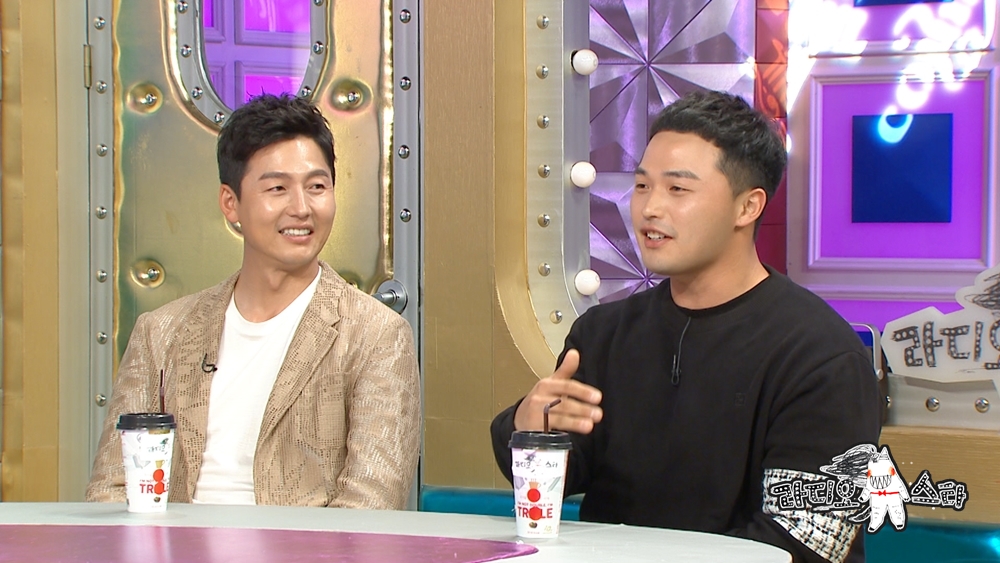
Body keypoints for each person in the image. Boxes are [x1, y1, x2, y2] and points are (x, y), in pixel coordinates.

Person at [491, 90, 881, 563]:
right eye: (642, 186)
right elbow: (557, 476)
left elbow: (804, 542)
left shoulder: (821, 356)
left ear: (747, 207)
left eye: (677, 189)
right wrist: (529, 430)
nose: (649, 208)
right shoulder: (603, 335)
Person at [87, 93, 420, 509]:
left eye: (317, 187)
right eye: (277, 188)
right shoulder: (162, 333)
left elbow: (370, 506)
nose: (301, 208)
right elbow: (112, 490)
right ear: (231, 204)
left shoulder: (376, 336)